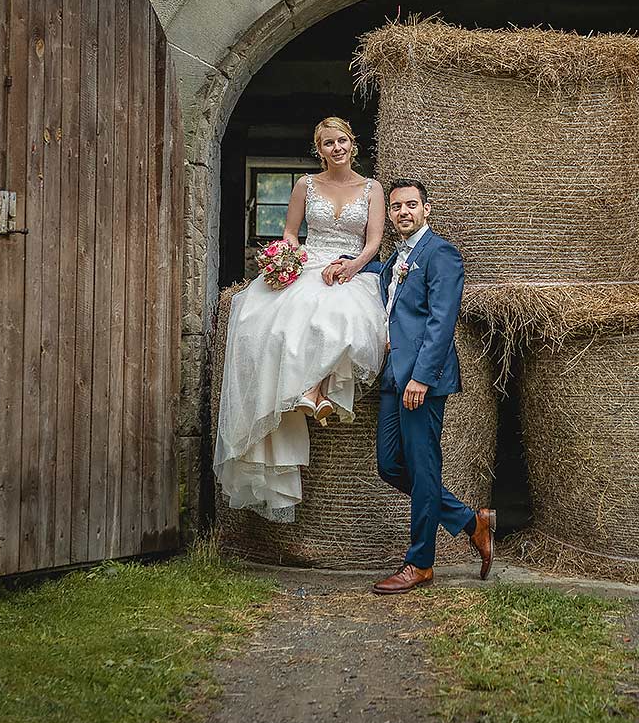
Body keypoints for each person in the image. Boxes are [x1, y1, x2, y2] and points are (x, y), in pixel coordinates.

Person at [324, 179, 496, 594]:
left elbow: (441, 322)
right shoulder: (395, 259)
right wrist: (346, 264)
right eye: (397, 206)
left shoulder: (441, 254)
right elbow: (381, 279)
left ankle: (420, 563)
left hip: (421, 379)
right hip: (392, 376)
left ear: (426, 210)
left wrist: (421, 376)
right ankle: (470, 521)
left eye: (411, 205)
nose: (403, 212)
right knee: (389, 465)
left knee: (423, 469)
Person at [212, 117, 387, 522]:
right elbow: (292, 233)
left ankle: (316, 387)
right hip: (310, 262)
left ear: (352, 143)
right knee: (268, 323)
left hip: (351, 266)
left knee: (344, 316)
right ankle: (305, 393)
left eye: (342, 140)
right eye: (328, 143)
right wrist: (284, 256)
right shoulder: (305, 185)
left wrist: (351, 266)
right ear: (319, 149)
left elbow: (374, 241)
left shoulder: (372, 188)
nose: (336, 147)